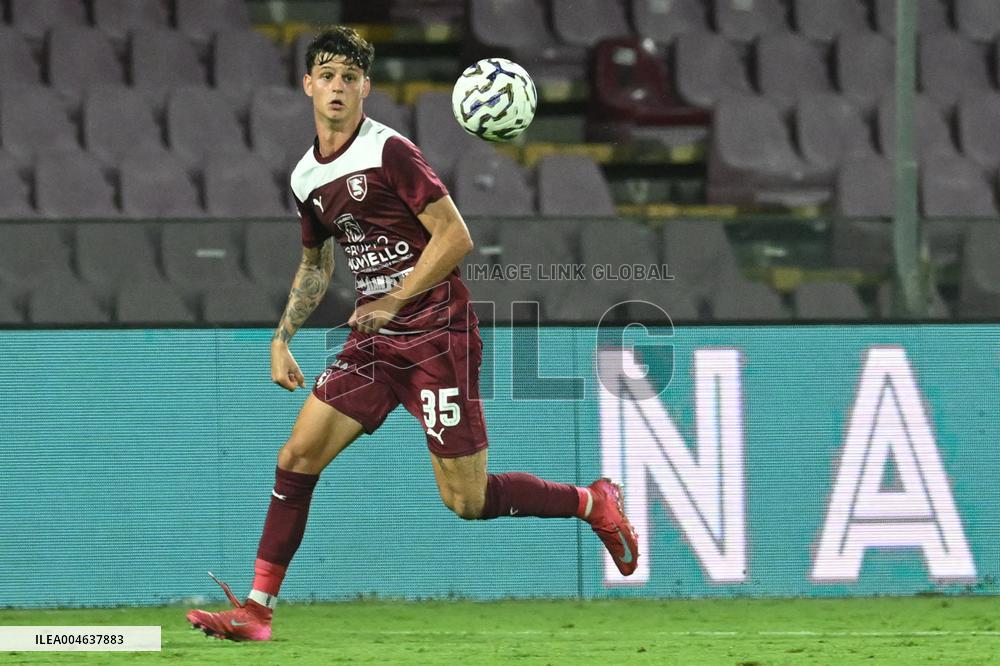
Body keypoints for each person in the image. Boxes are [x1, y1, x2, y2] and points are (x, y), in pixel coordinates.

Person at [187, 26, 638, 642]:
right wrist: (281, 337)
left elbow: (455, 237)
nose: (338, 87)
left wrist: (396, 299)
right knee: (296, 457)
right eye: (328, 75)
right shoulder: (305, 178)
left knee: (466, 501)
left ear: (366, 87)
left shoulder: (390, 152)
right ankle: (257, 611)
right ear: (308, 84)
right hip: (374, 344)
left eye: (350, 77)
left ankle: (592, 502)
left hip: (436, 335)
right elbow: (317, 264)